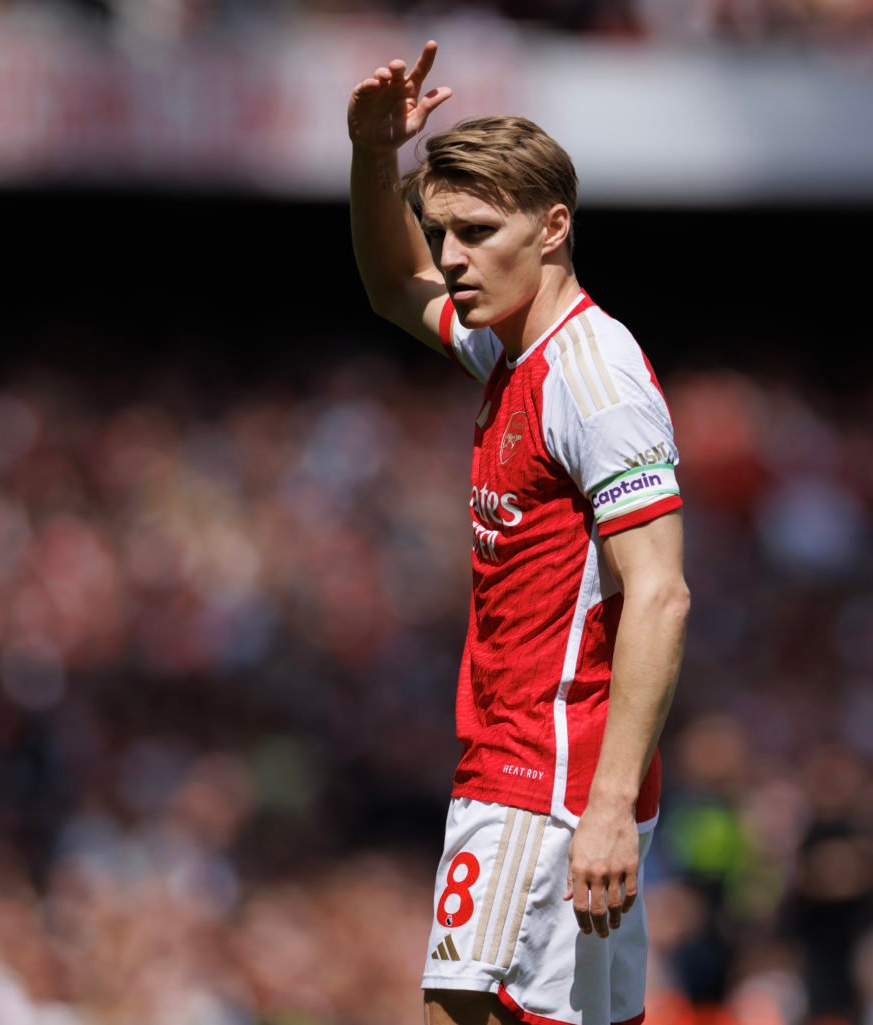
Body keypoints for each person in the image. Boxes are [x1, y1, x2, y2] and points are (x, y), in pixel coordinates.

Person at [348, 41, 691, 1025]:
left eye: (474, 232)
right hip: (544, 774)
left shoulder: (593, 379)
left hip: (544, 782)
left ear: (552, 229)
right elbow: (391, 287)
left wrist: (610, 804)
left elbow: (660, 591)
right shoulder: (515, 349)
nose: (449, 256)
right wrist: (376, 155)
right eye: (439, 229)